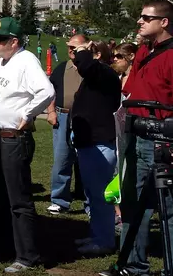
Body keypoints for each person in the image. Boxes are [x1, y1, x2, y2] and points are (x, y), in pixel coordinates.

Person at [106, 0, 173, 276]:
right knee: (133, 206)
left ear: (164, 23)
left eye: (146, 18)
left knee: (170, 209)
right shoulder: (145, 51)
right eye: (140, 17)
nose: (139, 21)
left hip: (164, 142)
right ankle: (132, 266)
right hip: (137, 136)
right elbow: (133, 93)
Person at [0, 17, 54, 273]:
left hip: (12, 137)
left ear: (14, 41)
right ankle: (3, 246)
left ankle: (27, 256)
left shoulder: (26, 61)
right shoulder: (2, 61)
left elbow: (46, 91)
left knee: (19, 199)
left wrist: (27, 115)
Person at [69, 39, 122, 256]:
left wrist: (83, 52)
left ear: (97, 55)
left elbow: (86, 67)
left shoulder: (105, 73)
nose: (75, 55)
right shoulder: (96, 76)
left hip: (99, 143)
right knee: (92, 193)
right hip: (89, 142)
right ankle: (98, 234)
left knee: (100, 196)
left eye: (80, 51)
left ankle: (104, 240)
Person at [46, 35, 89, 215]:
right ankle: (59, 200)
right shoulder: (62, 68)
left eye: (75, 47)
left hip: (87, 119)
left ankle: (91, 202)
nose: (71, 50)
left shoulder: (92, 70)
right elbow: (50, 91)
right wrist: (51, 111)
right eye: (69, 47)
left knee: (88, 161)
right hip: (63, 117)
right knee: (62, 159)